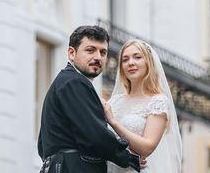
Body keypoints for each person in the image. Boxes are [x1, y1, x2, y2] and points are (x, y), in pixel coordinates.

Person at [37, 25, 142, 173]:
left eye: (103, 52)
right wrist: (127, 157)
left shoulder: (66, 81)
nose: (98, 57)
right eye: (90, 50)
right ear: (72, 53)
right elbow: (95, 136)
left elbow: (42, 144)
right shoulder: (74, 82)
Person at [102, 39, 183, 173]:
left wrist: (113, 122)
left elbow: (147, 147)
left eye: (137, 57)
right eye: (125, 59)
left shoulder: (158, 101)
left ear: (148, 63)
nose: (131, 63)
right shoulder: (114, 101)